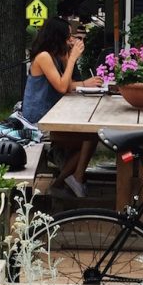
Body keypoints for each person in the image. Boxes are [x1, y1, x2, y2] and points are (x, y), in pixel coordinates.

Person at [21, 16, 103, 198]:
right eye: (68, 36)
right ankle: (65, 182)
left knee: (90, 135)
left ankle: (74, 178)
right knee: (89, 137)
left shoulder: (54, 56)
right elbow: (62, 87)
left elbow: (66, 85)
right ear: (57, 36)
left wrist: (80, 78)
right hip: (38, 124)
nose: (71, 39)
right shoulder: (43, 57)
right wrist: (72, 59)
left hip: (50, 117)